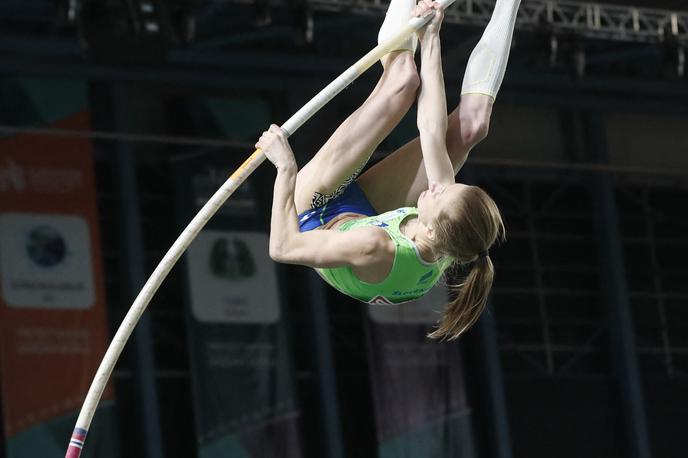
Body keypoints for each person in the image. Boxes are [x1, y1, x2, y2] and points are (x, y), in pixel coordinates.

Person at [256, 0, 520, 340]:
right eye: (450, 186)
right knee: (471, 128)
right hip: (371, 216)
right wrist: (431, 39)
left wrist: (286, 169)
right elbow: (430, 129)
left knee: (402, 81)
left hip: (314, 217)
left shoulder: (373, 244)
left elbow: (282, 247)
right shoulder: (451, 232)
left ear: (434, 232)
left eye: (439, 193)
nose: (440, 185)